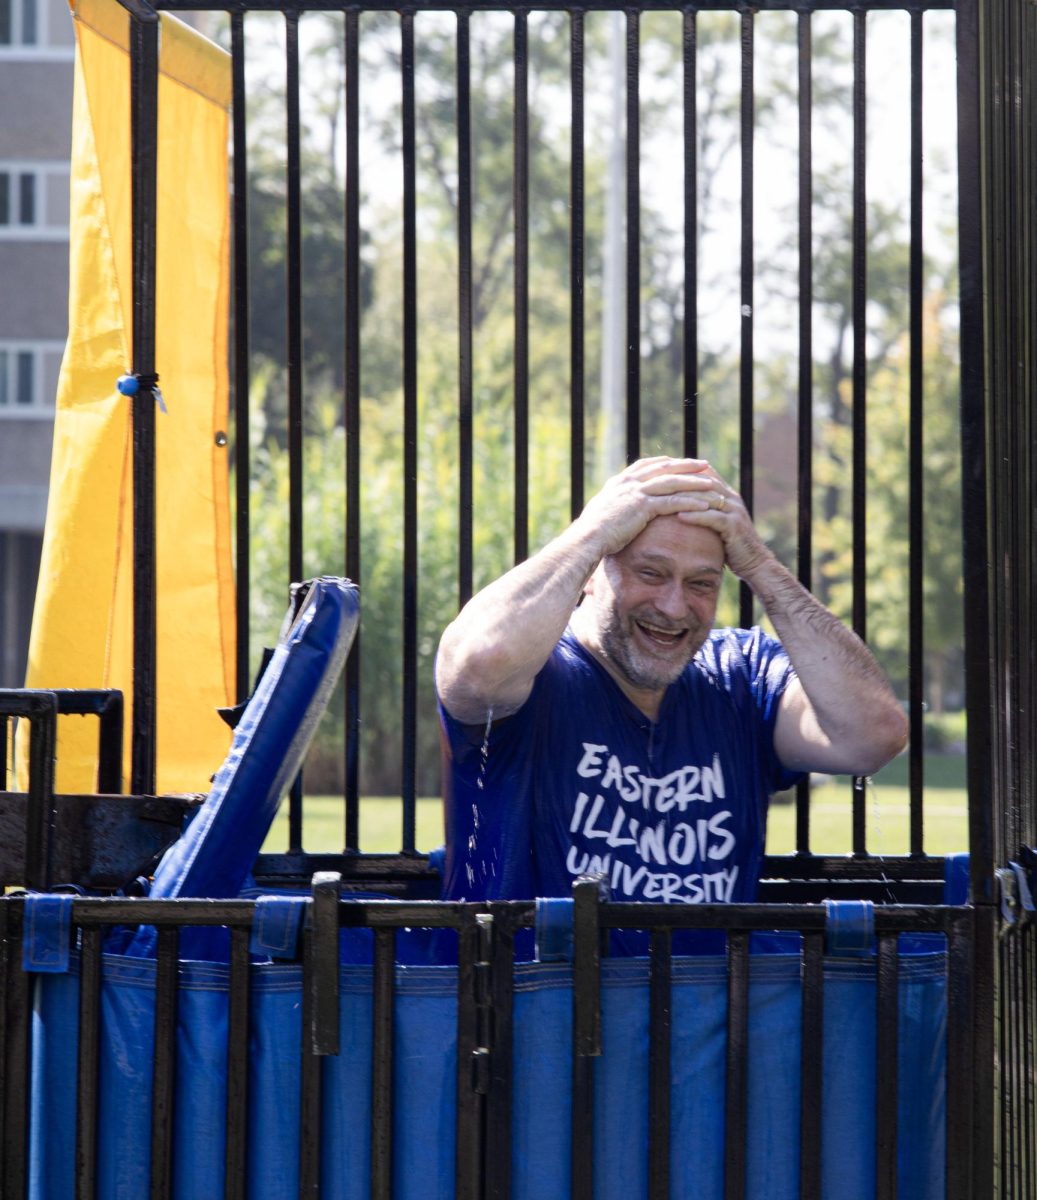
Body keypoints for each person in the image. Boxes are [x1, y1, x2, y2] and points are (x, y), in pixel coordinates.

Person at [435, 455, 908, 920]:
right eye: (651, 573)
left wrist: (761, 567)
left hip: (708, 994)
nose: (674, 606)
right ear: (593, 574)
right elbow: (480, 665)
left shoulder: (742, 674)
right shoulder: (534, 671)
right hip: (529, 991)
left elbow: (871, 737)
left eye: (702, 583)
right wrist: (591, 532)